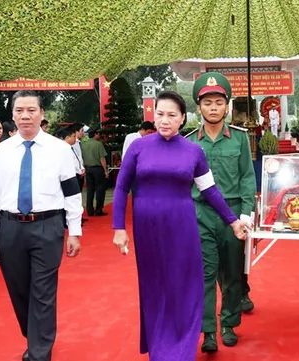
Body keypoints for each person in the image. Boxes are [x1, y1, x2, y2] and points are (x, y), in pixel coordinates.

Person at [111, 90, 248, 361]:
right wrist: (119, 228)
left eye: (172, 115)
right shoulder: (139, 147)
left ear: (183, 118)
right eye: (160, 114)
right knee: (154, 285)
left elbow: (210, 191)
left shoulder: (193, 151)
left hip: (182, 227)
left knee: (183, 284)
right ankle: (159, 346)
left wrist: (232, 221)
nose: (165, 120)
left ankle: (182, 348)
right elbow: (121, 187)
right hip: (147, 229)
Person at [0, 90, 83, 361]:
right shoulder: (1, 152)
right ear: (12, 115)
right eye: (19, 111)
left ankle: (39, 352)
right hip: (10, 228)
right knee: (19, 290)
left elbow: (71, 192)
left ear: (42, 113)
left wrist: (75, 230)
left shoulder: (60, 149)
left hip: (48, 227)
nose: (25, 116)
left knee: (44, 291)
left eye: (31, 110)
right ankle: (35, 336)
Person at [185, 72, 256, 352]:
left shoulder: (239, 139)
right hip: (200, 215)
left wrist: (247, 214)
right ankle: (208, 332)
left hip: (234, 216)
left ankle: (228, 323)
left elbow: (247, 178)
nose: (213, 108)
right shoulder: (189, 141)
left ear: (227, 106)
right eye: (207, 102)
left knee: (232, 273)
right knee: (203, 275)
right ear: (198, 107)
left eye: (218, 102)